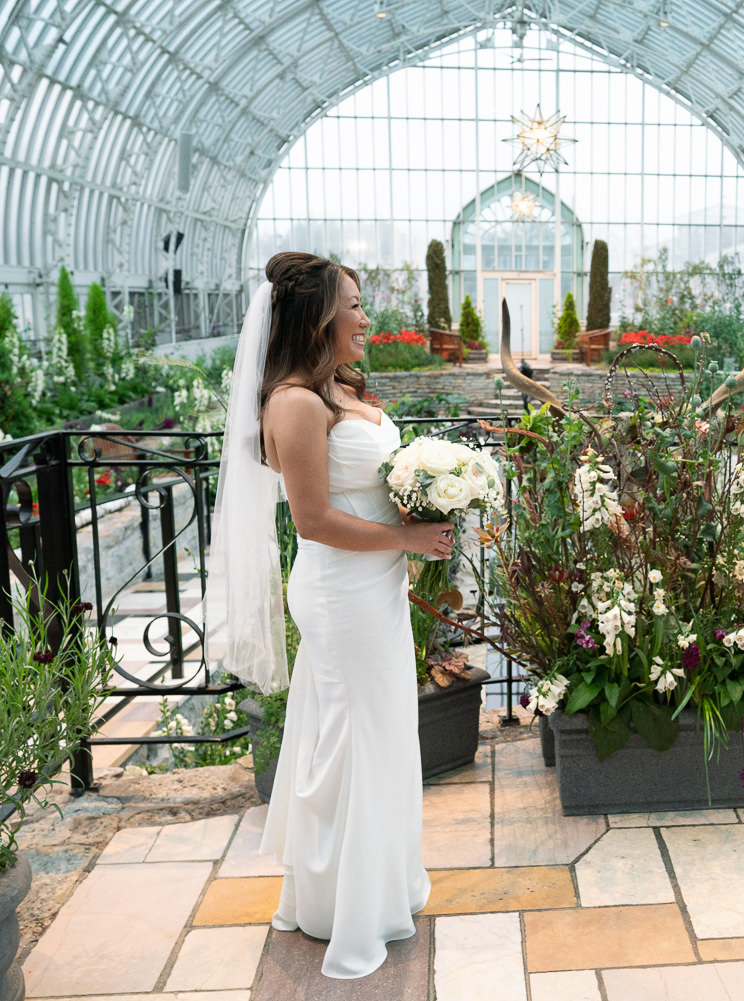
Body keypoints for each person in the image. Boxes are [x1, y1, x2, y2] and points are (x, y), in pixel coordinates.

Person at [209, 252, 454, 979]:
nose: (365, 317)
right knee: (357, 739)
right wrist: (406, 537)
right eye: (353, 304)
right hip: (341, 592)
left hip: (373, 584)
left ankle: (377, 889)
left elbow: (363, 488)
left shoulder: (337, 390)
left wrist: (423, 504)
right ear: (318, 315)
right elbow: (313, 521)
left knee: (382, 736)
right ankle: (343, 912)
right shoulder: (292, 402)